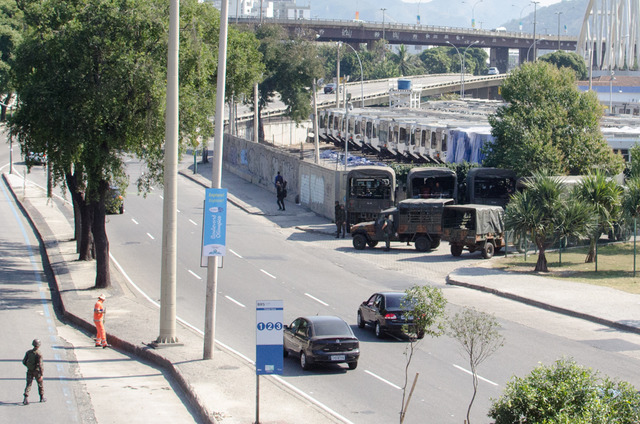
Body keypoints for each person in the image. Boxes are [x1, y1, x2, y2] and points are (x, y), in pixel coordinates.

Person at [22, 339, 45, 404]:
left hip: (30, 370)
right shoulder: (39, 354)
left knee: (28, 384)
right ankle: (41, 397)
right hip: (37, 372)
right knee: (40, 384)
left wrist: (29, 366)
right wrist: (41, 374)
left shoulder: (28, 352)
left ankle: (26, 397)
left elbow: (24, 361)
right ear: (38, 345)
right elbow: (40, 365)